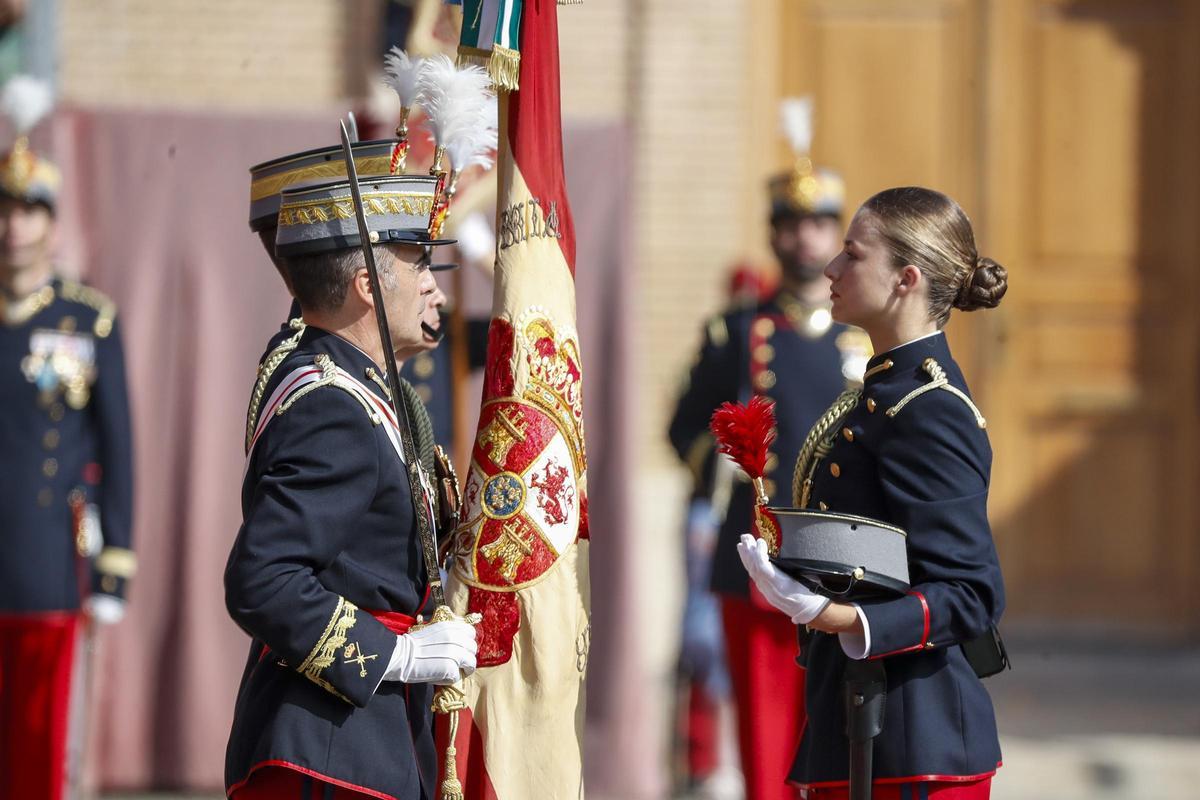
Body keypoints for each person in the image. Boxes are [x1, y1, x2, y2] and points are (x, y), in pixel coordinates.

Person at [738, 186, 1009, 799]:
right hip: (858, 724)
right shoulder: (879, 393)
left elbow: (972, 594)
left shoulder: (928, 407)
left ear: (905, 279)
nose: (831, 268)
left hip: (914, 743)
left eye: (853, 256)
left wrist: (835, 615)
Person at [224, 174, 478, 800]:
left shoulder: (356, 387)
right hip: (328, 751)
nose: (434, 288)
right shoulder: (333, 407)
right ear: (368, 284)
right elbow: (263, 578)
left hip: (366, 744)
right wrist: (396, 657)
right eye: (417, 265)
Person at [669, 164, 869, 800]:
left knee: (842, 741)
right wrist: (722, 463)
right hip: (761, 558)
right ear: (774, 235)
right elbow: (681, 428)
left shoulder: (861, 339)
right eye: (791, 225)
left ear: (837, 234)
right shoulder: (736, 331)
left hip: (843, 565)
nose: (805, 238)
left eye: (818, 224)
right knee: (767, 744)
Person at [0, 77, 134, 800]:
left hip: (48, 561)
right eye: (5, 209)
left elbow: (119, 449)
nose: (14, 225)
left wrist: (114, 566)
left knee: (39, 746)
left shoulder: (89, 321)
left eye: (30, 211)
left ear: (52, 222)